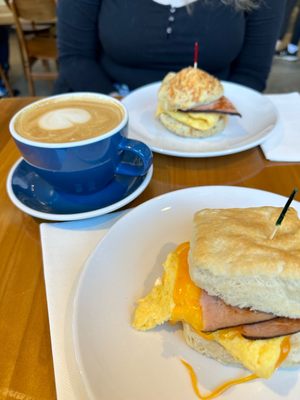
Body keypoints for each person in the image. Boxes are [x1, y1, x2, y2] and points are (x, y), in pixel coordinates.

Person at [54, 0, 283, 96]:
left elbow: (251, 73)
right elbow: (75, 58)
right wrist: (118, 109)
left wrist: (210, 114)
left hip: (213, 119)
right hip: (106, 101)